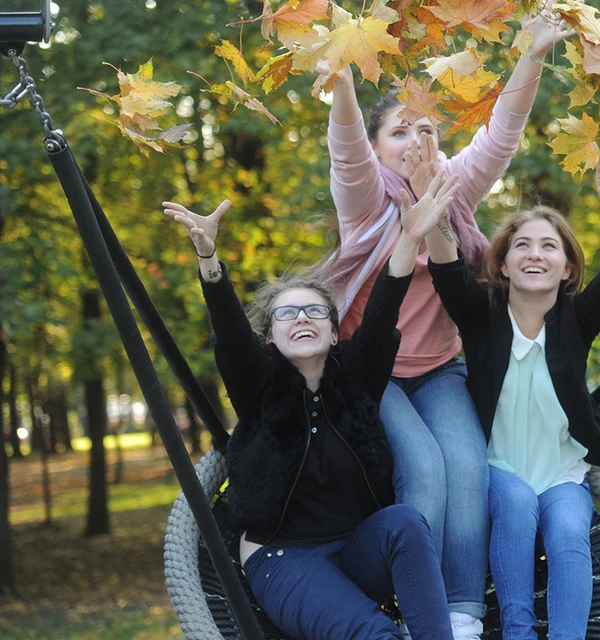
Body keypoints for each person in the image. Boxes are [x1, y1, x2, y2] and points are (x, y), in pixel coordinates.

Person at [313, 5, 576, 636]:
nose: (415, 141)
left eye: (427, 129)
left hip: (437, 367)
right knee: (425, 470)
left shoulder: (455, 187)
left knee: (467, 467)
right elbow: (346, 149)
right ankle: (414, 605)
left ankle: (461, 611)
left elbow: (501, 135)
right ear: (379, 150)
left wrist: (532, 56)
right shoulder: (366, 199)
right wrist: (343, 86)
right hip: (371, 370)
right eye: (399, 132)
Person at [161, 171, 462, 640]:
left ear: (332, 327)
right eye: (287, 313)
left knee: (405, 521)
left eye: (315, 310)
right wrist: (209, 258)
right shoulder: (258, 386)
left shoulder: (357, 379)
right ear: (269, 336)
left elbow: (383, 314)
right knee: (378, 636)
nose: (302, 317)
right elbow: (232, 336)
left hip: (356, 551)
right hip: (284, 558)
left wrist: (409, 238)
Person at [421, 144, 600, 640]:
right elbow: (447, 267)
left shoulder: (575, 320)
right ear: (502, 265)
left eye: (549, 246)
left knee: (567, 532)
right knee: (517, 505)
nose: (534, 253)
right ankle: (519, 632)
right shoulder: (482, 317)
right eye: (522, 245)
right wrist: (428, 201)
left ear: (566, 268)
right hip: (498, 468)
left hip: (563, 472)